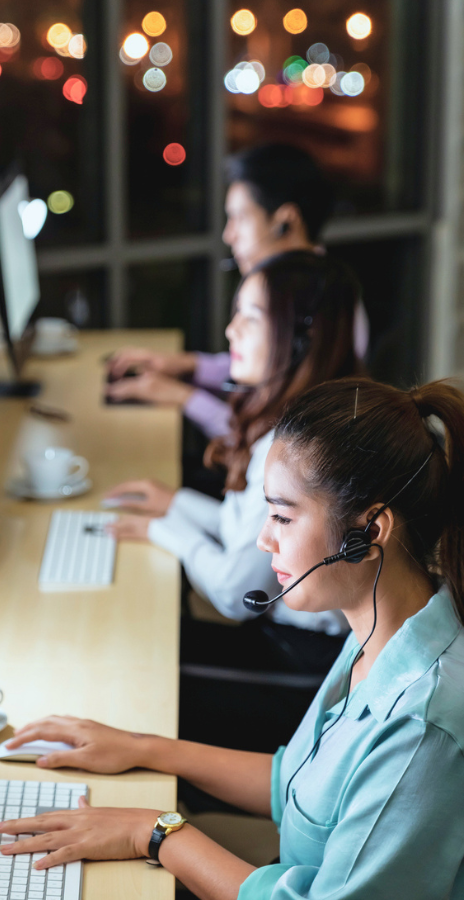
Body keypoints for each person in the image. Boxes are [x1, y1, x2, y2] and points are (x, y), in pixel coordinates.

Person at [0, 376, 464, 900]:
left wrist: (154, 832)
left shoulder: (422, 727)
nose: (264, 539)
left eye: (283, 516)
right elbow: (295, 784)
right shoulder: (380, 630)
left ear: (369, 532)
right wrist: (141, 747)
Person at [105, 251, 361, 752]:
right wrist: (174, 503)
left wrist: (164, 530)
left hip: (306, 667)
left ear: (299, 337)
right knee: (138, 647)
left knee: (137, 676)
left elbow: (237, 593)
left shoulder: (292, 447)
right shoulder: (304, 418)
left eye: (250, 316)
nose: (230, 331)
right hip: (301, 646)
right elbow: (246, 532)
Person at [106, 143, 341, 437]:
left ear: (285, 221)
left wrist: (184, 396)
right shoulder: (305, 288)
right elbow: (268, 361)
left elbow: (276, 440)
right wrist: (186, 366)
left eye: (240, 218)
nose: (228, 234)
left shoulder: (325, 306)